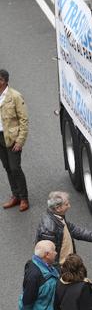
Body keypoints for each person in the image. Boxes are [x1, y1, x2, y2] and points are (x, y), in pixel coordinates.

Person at [35, 191, 92, 265]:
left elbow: (72, 230)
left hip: (67, 263)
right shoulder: (48, 229)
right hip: (62, 267)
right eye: (66, 204)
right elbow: (48, 256)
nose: (69, 206)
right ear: (58, 208)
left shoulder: (57, 217)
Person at [0, 69, 29, 211]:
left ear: (3, 81)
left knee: (15, 168)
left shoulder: (15, 96)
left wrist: (20, 141)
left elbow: (24, 120)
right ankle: (15, 195)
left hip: (12, 138)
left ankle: (24, 198)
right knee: (7, 167)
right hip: (0, 137)